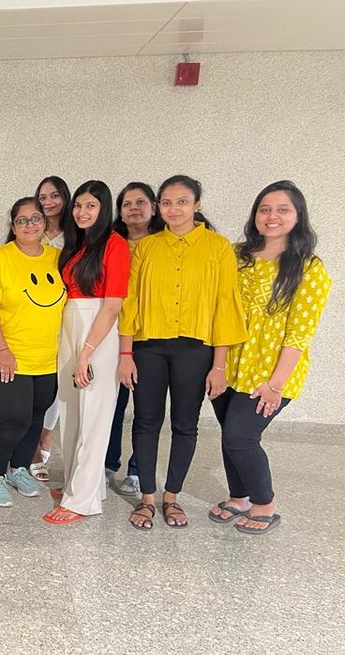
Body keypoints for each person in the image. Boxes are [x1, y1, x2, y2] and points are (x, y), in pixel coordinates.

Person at [120, 175, 247, 530]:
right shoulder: (146, 247)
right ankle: (147, 498)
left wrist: (219, 366)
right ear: (158, 207)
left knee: (185, 424)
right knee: (146, 421)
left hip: (195, 349)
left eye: (182, 201)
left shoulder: (218, 247)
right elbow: (130, 303)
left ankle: (171, 497)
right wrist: (125, 354)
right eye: (166, 202)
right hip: (148, 347)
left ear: (197, 205)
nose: (173, 209)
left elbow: (225, 306)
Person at [208, 181, 331, 534]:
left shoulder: (308, 268)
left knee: (240, 437)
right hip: (229, 363)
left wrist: (276, 384)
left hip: (270, 372)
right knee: (229, 433)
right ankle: (239, 496)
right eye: (264, 209)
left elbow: (299, 333)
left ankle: (264, 502)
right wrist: (216, 365)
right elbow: (220, 308)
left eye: (282, 210)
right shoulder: (237, 256)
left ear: (298, 216)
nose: (272, 216)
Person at [43, 181, 129, 524]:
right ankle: (78, 484)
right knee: (71, 409)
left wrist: (86, 353)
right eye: (78, 205)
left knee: (94, 413)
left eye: (90, 206)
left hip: (98, 332)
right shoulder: (76, 244)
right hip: (71, 324)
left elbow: (112, 307)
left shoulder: (115, 244)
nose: (82, 212)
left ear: (104, 209)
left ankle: (83, 501)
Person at [0, 197, 65, 507]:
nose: (29, 225)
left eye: (35, 218)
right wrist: (2, 350)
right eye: (22, 220)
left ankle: (19, 468)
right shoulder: (0, 258)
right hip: (8, 356)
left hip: (47, 357)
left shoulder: (57, 258)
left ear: (45, 222)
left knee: (36, 416)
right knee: (14, 419)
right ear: (13, 227)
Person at [105, 182, 164, 497]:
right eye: (127, 204)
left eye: (141, 202)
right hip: (112, 335)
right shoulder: (111, 243)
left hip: (150, 337)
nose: (134, 209)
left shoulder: (165, 243)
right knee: (111, 406)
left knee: (147, 409)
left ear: (154, 207)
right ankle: (106, 464)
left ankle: (138, 470)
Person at [29, 175, 72, 480]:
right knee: (37, 382)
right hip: (33, 318)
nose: (48, 202)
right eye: (42, 197)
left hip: (67, 315)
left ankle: (46, 436)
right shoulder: (31, 230)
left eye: (54, 195)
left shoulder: (75, 235)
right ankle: (32, 446)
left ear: (65, 198)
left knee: (58, 382)